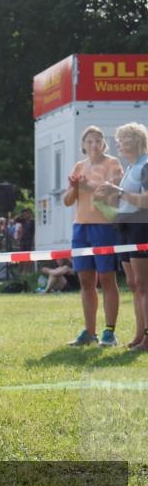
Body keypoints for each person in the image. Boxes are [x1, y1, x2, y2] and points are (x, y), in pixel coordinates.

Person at [62, 126, 124, 346]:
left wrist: (87, 185)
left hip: (104, 227)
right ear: (83, 145)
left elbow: (114, 195)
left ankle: (109, 332)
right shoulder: (79, 166)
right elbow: (67, 201)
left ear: (104, 143)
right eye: (89, 141)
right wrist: (74, 187)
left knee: (107, 278)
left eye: (98, 141)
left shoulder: (113, 164)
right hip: (81, 228)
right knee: (86, 282)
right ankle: (89, 332)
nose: (94, 145)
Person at [94, 122, 148, 351]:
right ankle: (139, 335)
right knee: (134, 285)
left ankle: (147, 338)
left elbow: (145, 201)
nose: (118, 142)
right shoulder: (130, 168)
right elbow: (123, 200)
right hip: (125, 227)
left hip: (141, 225)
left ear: (136, 141)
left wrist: (118, 191)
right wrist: (106, 196)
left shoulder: (145, 165)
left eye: (123, 138)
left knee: (144, 285)